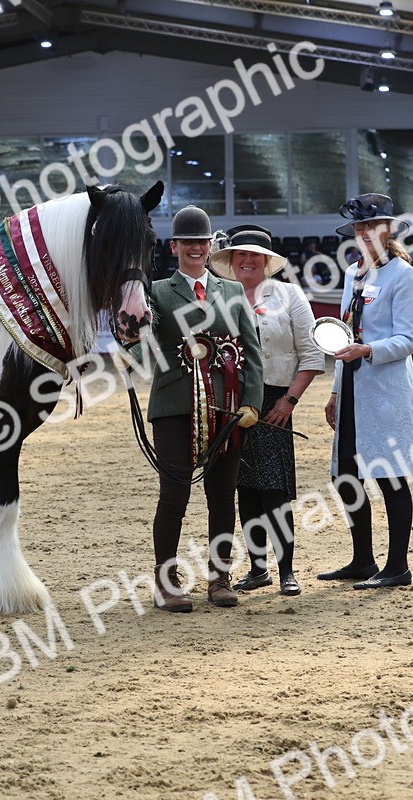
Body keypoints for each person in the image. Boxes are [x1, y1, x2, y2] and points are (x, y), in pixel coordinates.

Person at [143, 205, 263, 612]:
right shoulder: (157, 292)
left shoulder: (232, 292)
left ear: (211, 246)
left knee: (222, 495)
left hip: (226, 409)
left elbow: (252, 352)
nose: (195, 248)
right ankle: (166, 583)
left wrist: (251, 402)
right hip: (174, 406)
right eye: (187, 242)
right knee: (173, 495)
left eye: (201, 241)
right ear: (173, 246)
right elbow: (140, 344)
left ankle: (219, 577)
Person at [209, 225, 325, 597]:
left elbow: (312, 355)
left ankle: (287, 569)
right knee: (244, 488)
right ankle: (258, 569)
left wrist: (289, 400)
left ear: (266, 261)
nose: (247, 260)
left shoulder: (290, 295)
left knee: (275, 490)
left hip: (276, 402)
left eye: (254, 255)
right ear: (231, 260)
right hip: (231, 402)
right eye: (240, 254)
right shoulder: (217, 296)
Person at [317, 193, 413, 589]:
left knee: (390, 476)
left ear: (387, 230)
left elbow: (408, 339)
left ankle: (398, 566)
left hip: (385, 390)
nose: (365, 233)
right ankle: (362, 559)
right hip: (351, 387)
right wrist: (334, 390)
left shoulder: (402, 275)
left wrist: (368, 350)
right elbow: (344, 334)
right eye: (360, 227)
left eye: (372, 226)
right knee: (346, 475)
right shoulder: (352, 273)